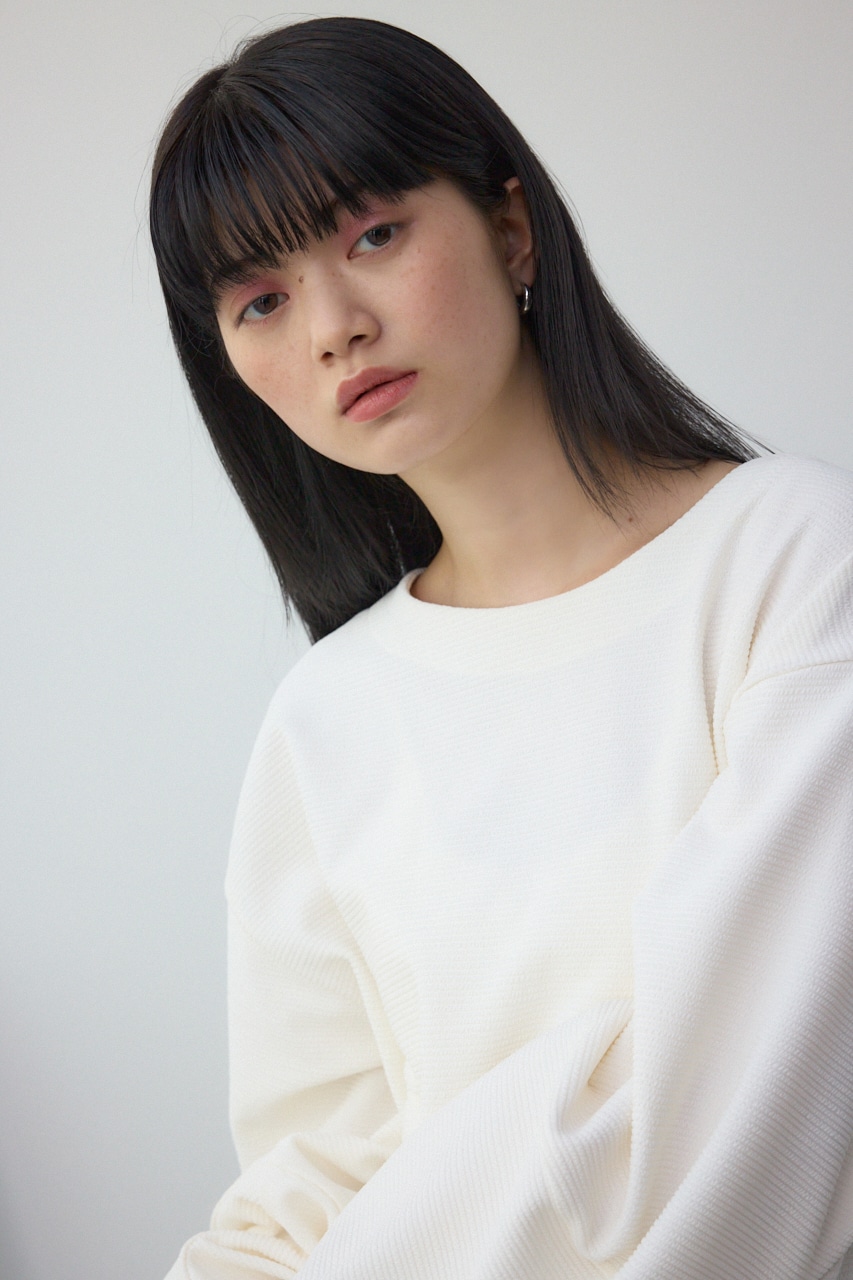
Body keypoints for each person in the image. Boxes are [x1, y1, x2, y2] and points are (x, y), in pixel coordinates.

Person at [149, 16, 853, 1280]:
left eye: (372, 234)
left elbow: (749, 1117)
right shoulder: (325, 719)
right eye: (261, 299)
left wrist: (446, 1175)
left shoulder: (789, 559)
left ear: (511, 227)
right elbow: (306, 1198)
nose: (332, 325)